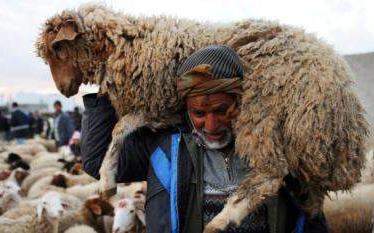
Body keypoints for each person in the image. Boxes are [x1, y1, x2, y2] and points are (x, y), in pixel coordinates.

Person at [81, 46, 328, 233]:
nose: (211, 125)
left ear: (242, 101)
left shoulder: (279, 148)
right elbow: (95, 162)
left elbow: (309, 215)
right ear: (186, 108)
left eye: (222, 111)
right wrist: (106, 85)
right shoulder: (165, 147)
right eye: (199, 113)